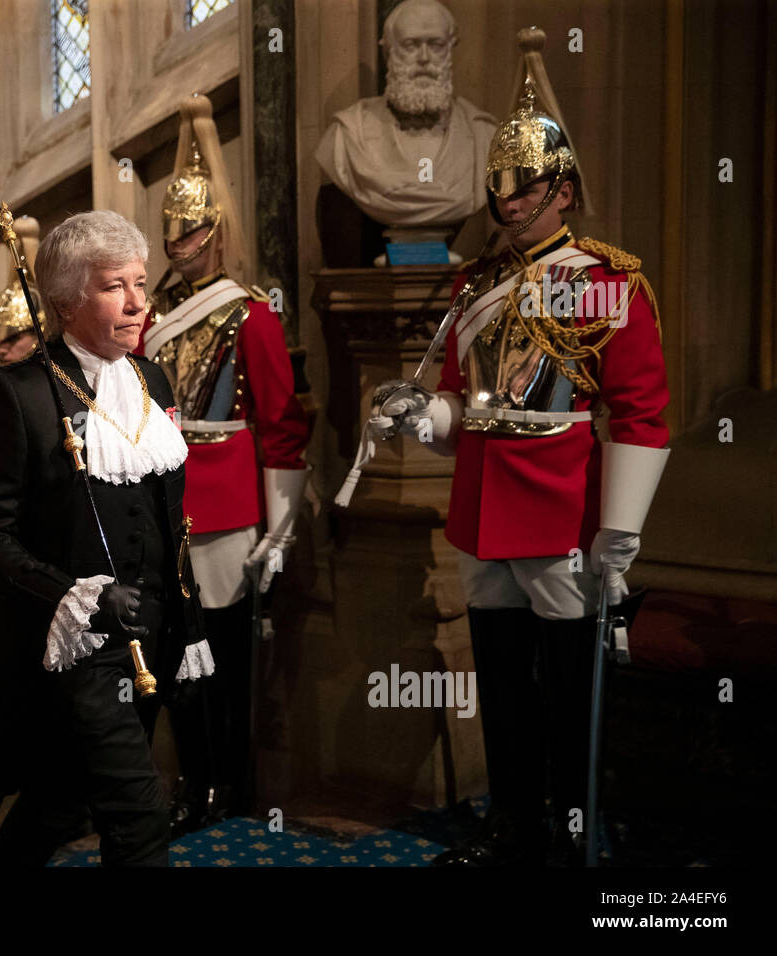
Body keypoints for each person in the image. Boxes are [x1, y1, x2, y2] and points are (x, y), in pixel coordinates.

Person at [368, 29, 670, 865]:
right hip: (483, 501)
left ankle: (570, 831)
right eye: (499, 185)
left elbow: (641, 414)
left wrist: (621, 532)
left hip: (563, 504)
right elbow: (467, 410)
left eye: (525, 185)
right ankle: (513, 825)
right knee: (500, 681)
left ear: (562, 190)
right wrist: (418, 415)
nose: (507, 200)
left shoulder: (607, 279)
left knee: (568, 687)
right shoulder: (478, 284)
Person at [0, 209, 207, 867]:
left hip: (151, 631)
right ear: (68, 302)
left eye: (141, 283)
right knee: (140, 819)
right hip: (73, 647)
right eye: (113, 287)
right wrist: (71, 593)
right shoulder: (16, 394)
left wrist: (187, 615)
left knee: (58, 802)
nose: (137, 304)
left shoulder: (151, 380)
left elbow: (169, 520)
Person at [136, 94, 310, 830]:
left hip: (231, 500)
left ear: (215, 231)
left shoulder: (251, 315)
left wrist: (281, 526)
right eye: (172, 228)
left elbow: (281, 426)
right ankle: (194, 780)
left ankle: (228, 786)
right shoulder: (149, 319)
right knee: (175, 652)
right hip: (164, 495)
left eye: (193, 227)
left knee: (225, 657)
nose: (181, 241)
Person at [315, 0, 497, 229]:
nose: (424, 57)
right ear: (388, 51)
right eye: (411, 45)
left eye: (436, 44)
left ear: (451, 49)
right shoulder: (348, 134)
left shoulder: (484, 136)